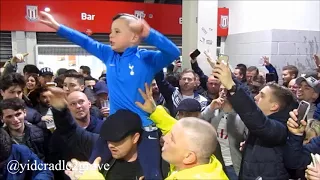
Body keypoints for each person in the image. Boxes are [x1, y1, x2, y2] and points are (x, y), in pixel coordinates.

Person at [212, 61, 298, 179]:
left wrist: (231, 86)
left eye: (262, 96)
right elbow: (247, 100)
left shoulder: (280, 128)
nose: (256, 97)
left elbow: (257, 120)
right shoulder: (268, 120)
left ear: (274, 106)